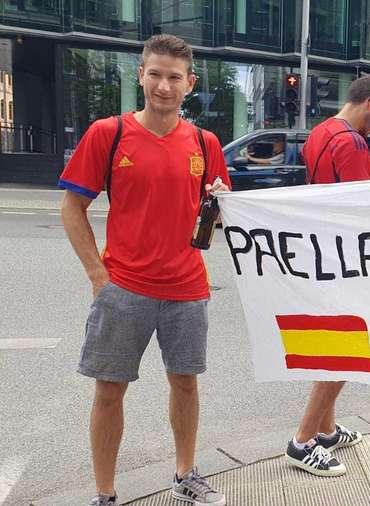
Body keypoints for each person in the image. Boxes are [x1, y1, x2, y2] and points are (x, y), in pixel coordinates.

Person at [59, 35, 230, 506]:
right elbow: (73, 207)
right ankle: (105, 494)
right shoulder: (108, 133)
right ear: (141, 76)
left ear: (189, 83)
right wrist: (97, 274)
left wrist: (219, 206)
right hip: (124, 288)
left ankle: (185, 474)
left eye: (174, 77)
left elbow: (219, 213)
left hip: (187, 288)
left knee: (186, 382)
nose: (163, 85)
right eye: (155, 74)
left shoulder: (205, 143)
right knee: (110, 391)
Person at [286, 74, 370, 476]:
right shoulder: (352, 141)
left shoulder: (319, 134)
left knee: (331, 343)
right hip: (349, 259)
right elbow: (362, 210)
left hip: (324, 252)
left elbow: (334, 191)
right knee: (345, 352)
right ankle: (303, 440)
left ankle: (326, 430)